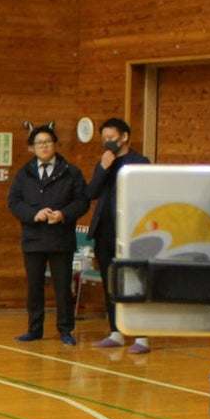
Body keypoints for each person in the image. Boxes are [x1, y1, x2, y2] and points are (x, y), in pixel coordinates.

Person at [7, 123, 88, 345]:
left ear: (55, 145)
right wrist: (34, 214)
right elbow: (13, 203)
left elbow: (82, 201)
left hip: (61, 238)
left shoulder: (71, 172)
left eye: (47, 142)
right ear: (31, 148)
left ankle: (65, 330)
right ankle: (34, 328)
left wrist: (63, 214)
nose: (44, 147)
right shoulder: (24, 173)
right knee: (34, 287)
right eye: (39, 143)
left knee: (63, 287)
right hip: (33, 238)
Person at [84, 116, 151, 353]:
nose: (107, 142)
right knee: (110, 282)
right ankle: (116, 331)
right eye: (104, 139)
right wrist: (103, 168)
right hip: (105, 231)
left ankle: (142, 336)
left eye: (111, 138)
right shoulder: (104, 162)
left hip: (130, 232)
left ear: (124, 137)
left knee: (133, 282)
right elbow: (90, 192)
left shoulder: (139, 162)